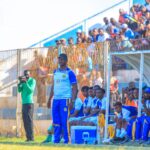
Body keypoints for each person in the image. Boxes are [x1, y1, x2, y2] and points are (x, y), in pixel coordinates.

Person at [47, 53, 78, 144]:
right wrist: (49, 99)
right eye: (59, 59)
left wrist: (72, 100)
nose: (60, 61)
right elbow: (53, 86)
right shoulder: (55, 72)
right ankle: (56, 139)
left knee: (64, 120)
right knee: (56, 120)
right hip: (56, 99)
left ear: (66, 61)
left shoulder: (70, 72)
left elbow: (75, 87)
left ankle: (66, 139)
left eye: (62, 59)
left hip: (65, 99)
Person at [18, 70, 36, 142]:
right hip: (24, 103)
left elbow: (30, 90)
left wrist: (25, 82)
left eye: (27, 74)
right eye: (25, 75)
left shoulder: (32, 81)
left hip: (29, 103)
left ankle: (31, 138)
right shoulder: (23, 81)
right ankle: (28, 138)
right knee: (25, 120)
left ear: (30, 74)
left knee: (29, 120)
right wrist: (20, 83)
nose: (26, 76)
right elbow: (19, 90)